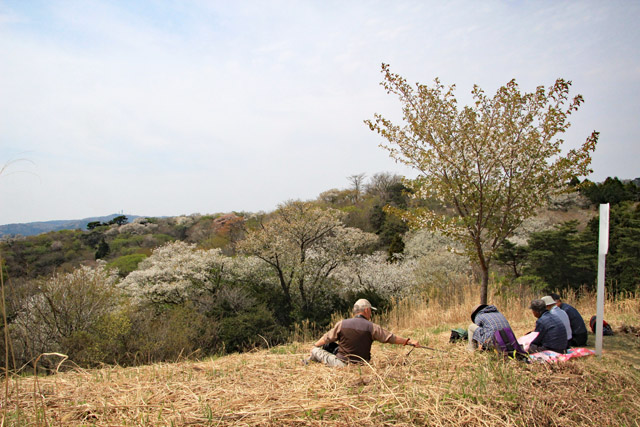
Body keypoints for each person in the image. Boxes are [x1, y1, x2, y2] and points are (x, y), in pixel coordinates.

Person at [308, 299, 419, 367]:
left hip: (341, 364)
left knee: (318, 349)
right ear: (366, 310)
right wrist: (409, 342)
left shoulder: (342, 324)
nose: (370, 313)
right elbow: (391, 338)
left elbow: (326, 338)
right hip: (363, 364)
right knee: (329, 345)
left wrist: (314, 346)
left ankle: (309, 361)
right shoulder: (372, 327)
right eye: (370, 310)